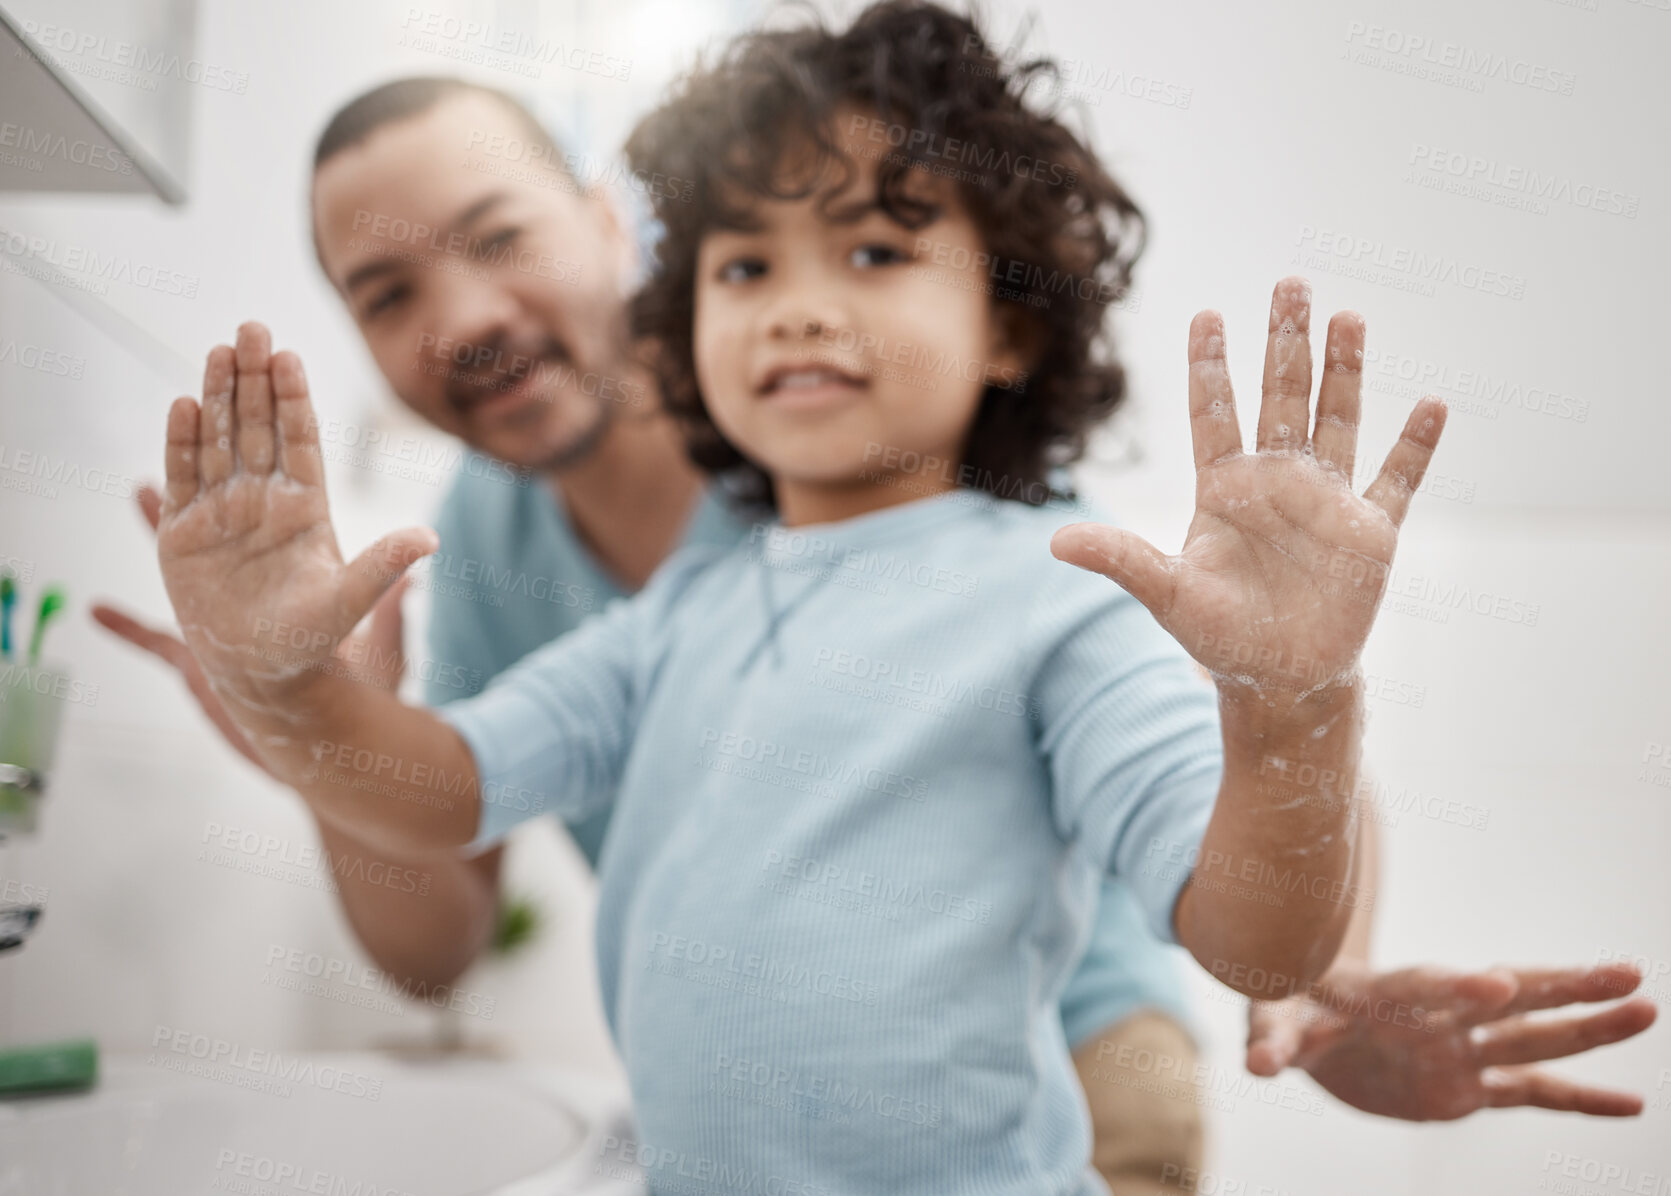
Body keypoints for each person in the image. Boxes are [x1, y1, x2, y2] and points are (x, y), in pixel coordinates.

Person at [138, 3, 1658, 1190]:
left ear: (1006, 329)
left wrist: (1289, 705)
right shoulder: (661, 619)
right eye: (740, 267)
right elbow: (439, 794)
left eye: (873, 247)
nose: (796, 299)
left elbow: (1249, 932)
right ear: (689, 319)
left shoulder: (1041, 586)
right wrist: (295, 692)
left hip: (1078, 1081)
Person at [94, 74, 1204, 1191]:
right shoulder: (492, 528)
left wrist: (1324, 944)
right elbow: (437, 928)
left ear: (612, 221)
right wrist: (310, 722)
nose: (465, 318)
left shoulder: (879, 450)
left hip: (1072, 1048)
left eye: (500, 234)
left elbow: (1189, 738)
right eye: (387, 294)